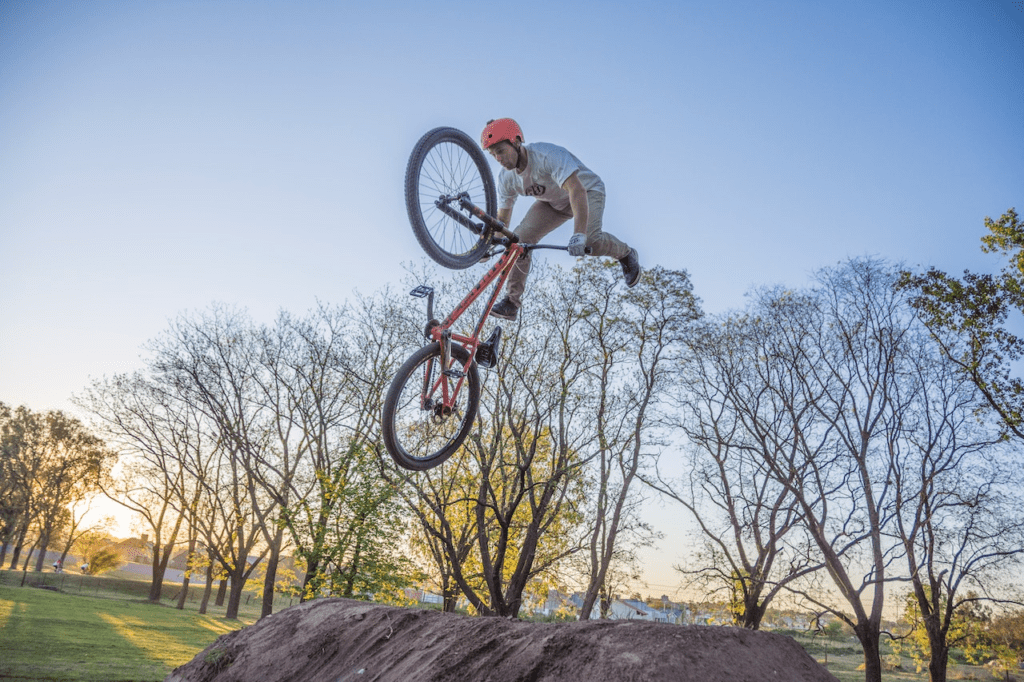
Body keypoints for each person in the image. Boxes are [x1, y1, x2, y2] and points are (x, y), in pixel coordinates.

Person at [480, 118, 641, 321]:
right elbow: (502, 220)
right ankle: (511, 303)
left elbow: (576, 189)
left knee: (590, 241)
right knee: (518, 241)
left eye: (501, 151)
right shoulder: (506, 178)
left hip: (587, 191)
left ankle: (626, 254)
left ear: (516, 141)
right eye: (493, 155)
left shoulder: (547, 155)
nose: (498, 158)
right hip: (552, 203)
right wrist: (489, 243)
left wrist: (579, 234)